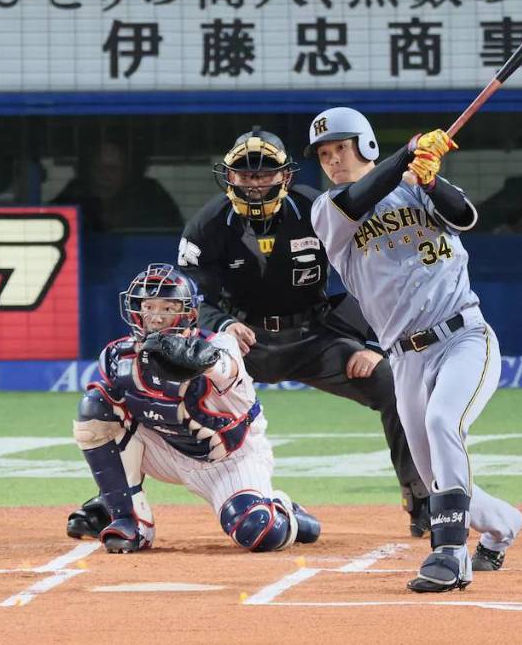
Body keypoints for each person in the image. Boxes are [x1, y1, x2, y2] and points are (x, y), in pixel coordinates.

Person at [306, 107, 522, 594]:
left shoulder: (414, 186)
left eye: (340, 147)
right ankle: (503, 524)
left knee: (444, 423)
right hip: (404, 358)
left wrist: (428, 180)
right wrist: (407, 153)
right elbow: (360, 197)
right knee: (433, 474)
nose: (333, 159)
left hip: (463, 336)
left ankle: (450, 553)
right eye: (323, 154)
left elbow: (464, 216)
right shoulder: (328, 210)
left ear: (365, 145)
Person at [175, 126, 431, 538]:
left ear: (285, 176)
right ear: (229, 176)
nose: (254, 184)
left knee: (395, 386)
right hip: (242, 345)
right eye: (245, 174)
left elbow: (373, 273)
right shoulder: (207, 225)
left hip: (315, 337)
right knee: (158, 389)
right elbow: (190, 299)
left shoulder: (318, 208)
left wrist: (370, 343)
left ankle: (422, 500)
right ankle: (120, 503)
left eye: (264, 174)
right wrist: (223, 325)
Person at [66, 262, 320, 554]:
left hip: (229, 457)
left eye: (168, 308)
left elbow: (225, 368)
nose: (156, 317)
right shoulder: (119, 356)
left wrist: (200, 360)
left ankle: (285, 510)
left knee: (258, 530)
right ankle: (125, 515)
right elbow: (110, 417)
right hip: (166, 449)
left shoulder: (221, 344)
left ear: (188, 313)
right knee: (95, 407)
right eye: (149, 307)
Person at [52, 141, 184, 232]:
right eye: (98, 168)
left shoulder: (152, 198)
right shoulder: (71, 197)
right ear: (87, 171)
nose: (104, 175)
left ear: (127, 173)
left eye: (112, 169)